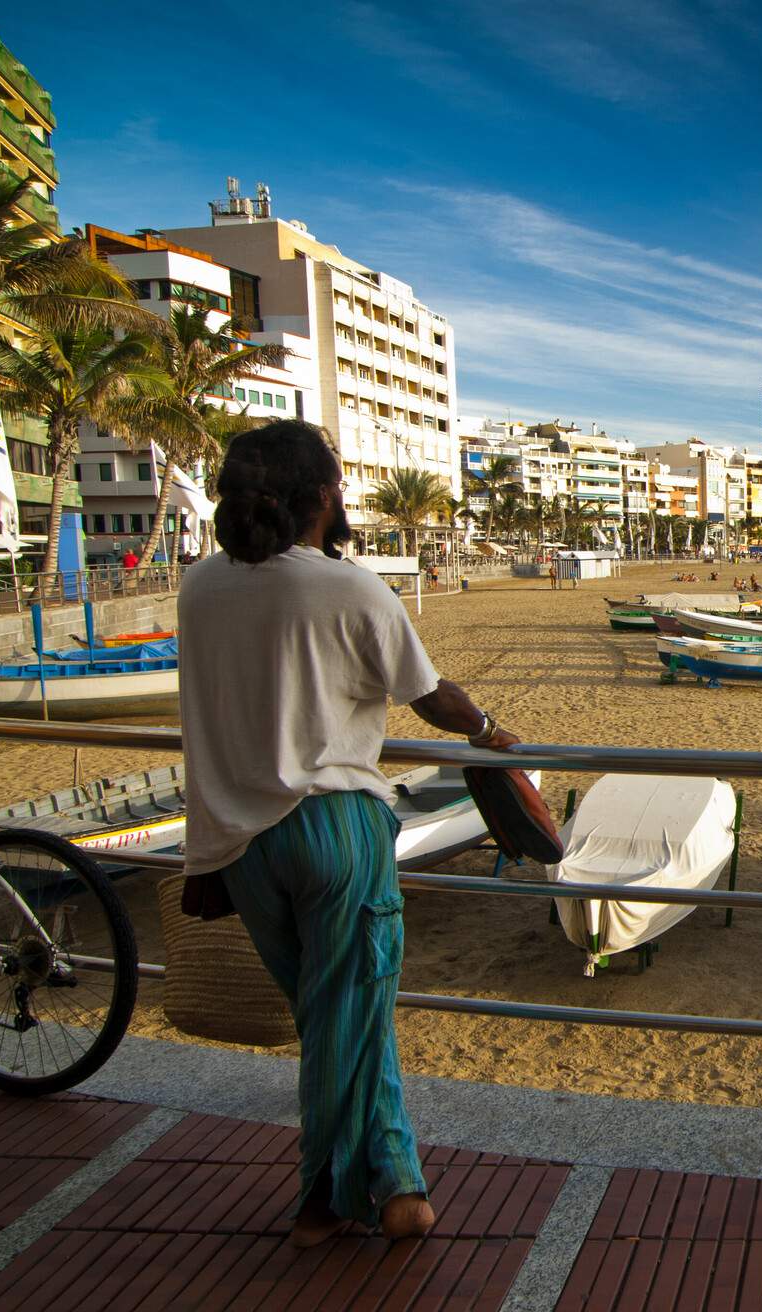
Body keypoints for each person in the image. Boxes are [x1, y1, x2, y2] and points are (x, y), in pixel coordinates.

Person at [177, 421, 520, 1248]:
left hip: (239, 839)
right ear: (320, 496)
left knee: (337, 1014)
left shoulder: (199, 586)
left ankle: (398, 1180)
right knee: (348, 1011)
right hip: (334, 824)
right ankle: (320, 1200)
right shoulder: (350, 587)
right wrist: (488, 728)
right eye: (337, 484)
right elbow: (430, 696)